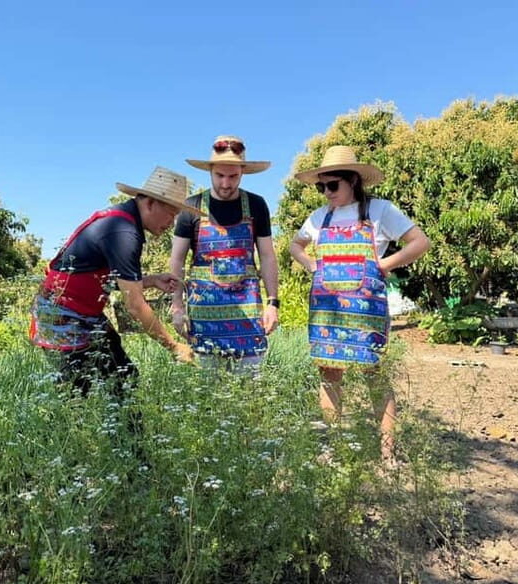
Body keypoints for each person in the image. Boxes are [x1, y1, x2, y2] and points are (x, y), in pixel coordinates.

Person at [289, 145, 430, 461]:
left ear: (352, 180)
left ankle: (388, 454)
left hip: (366, 310)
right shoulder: (318, 218)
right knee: (329, 375)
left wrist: (384, 264)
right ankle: (332, 449)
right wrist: (311, 264)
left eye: (332, 185)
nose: (326, 192)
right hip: (327, 311)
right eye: (321, 186)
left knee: (375, 377)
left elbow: (420, 242)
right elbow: (295, 246)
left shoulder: (380, 211)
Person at [30, 167, 197, 397]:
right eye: (171, 213)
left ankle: (128, 431)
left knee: (124, 379)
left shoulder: (125, 224)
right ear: (149, 203)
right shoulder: (123, 232)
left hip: (86, 314)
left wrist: (151, 281)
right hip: (63, 317)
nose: (172, 222)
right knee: (77, 393)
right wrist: (174, 346)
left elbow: (101, 279)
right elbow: (135, 306)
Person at [169, 135, 279, 370]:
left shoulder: (256, 205)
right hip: (204, 315)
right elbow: (176, 260)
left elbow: (268, 256)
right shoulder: (192, 207)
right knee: (208, 394)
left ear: (242, 172)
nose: (226, 184)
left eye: (233, 176)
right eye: (220, 176)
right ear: (210, 171)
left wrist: (273, 304)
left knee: (250, 391)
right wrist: (177, 305)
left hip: (247, 315)